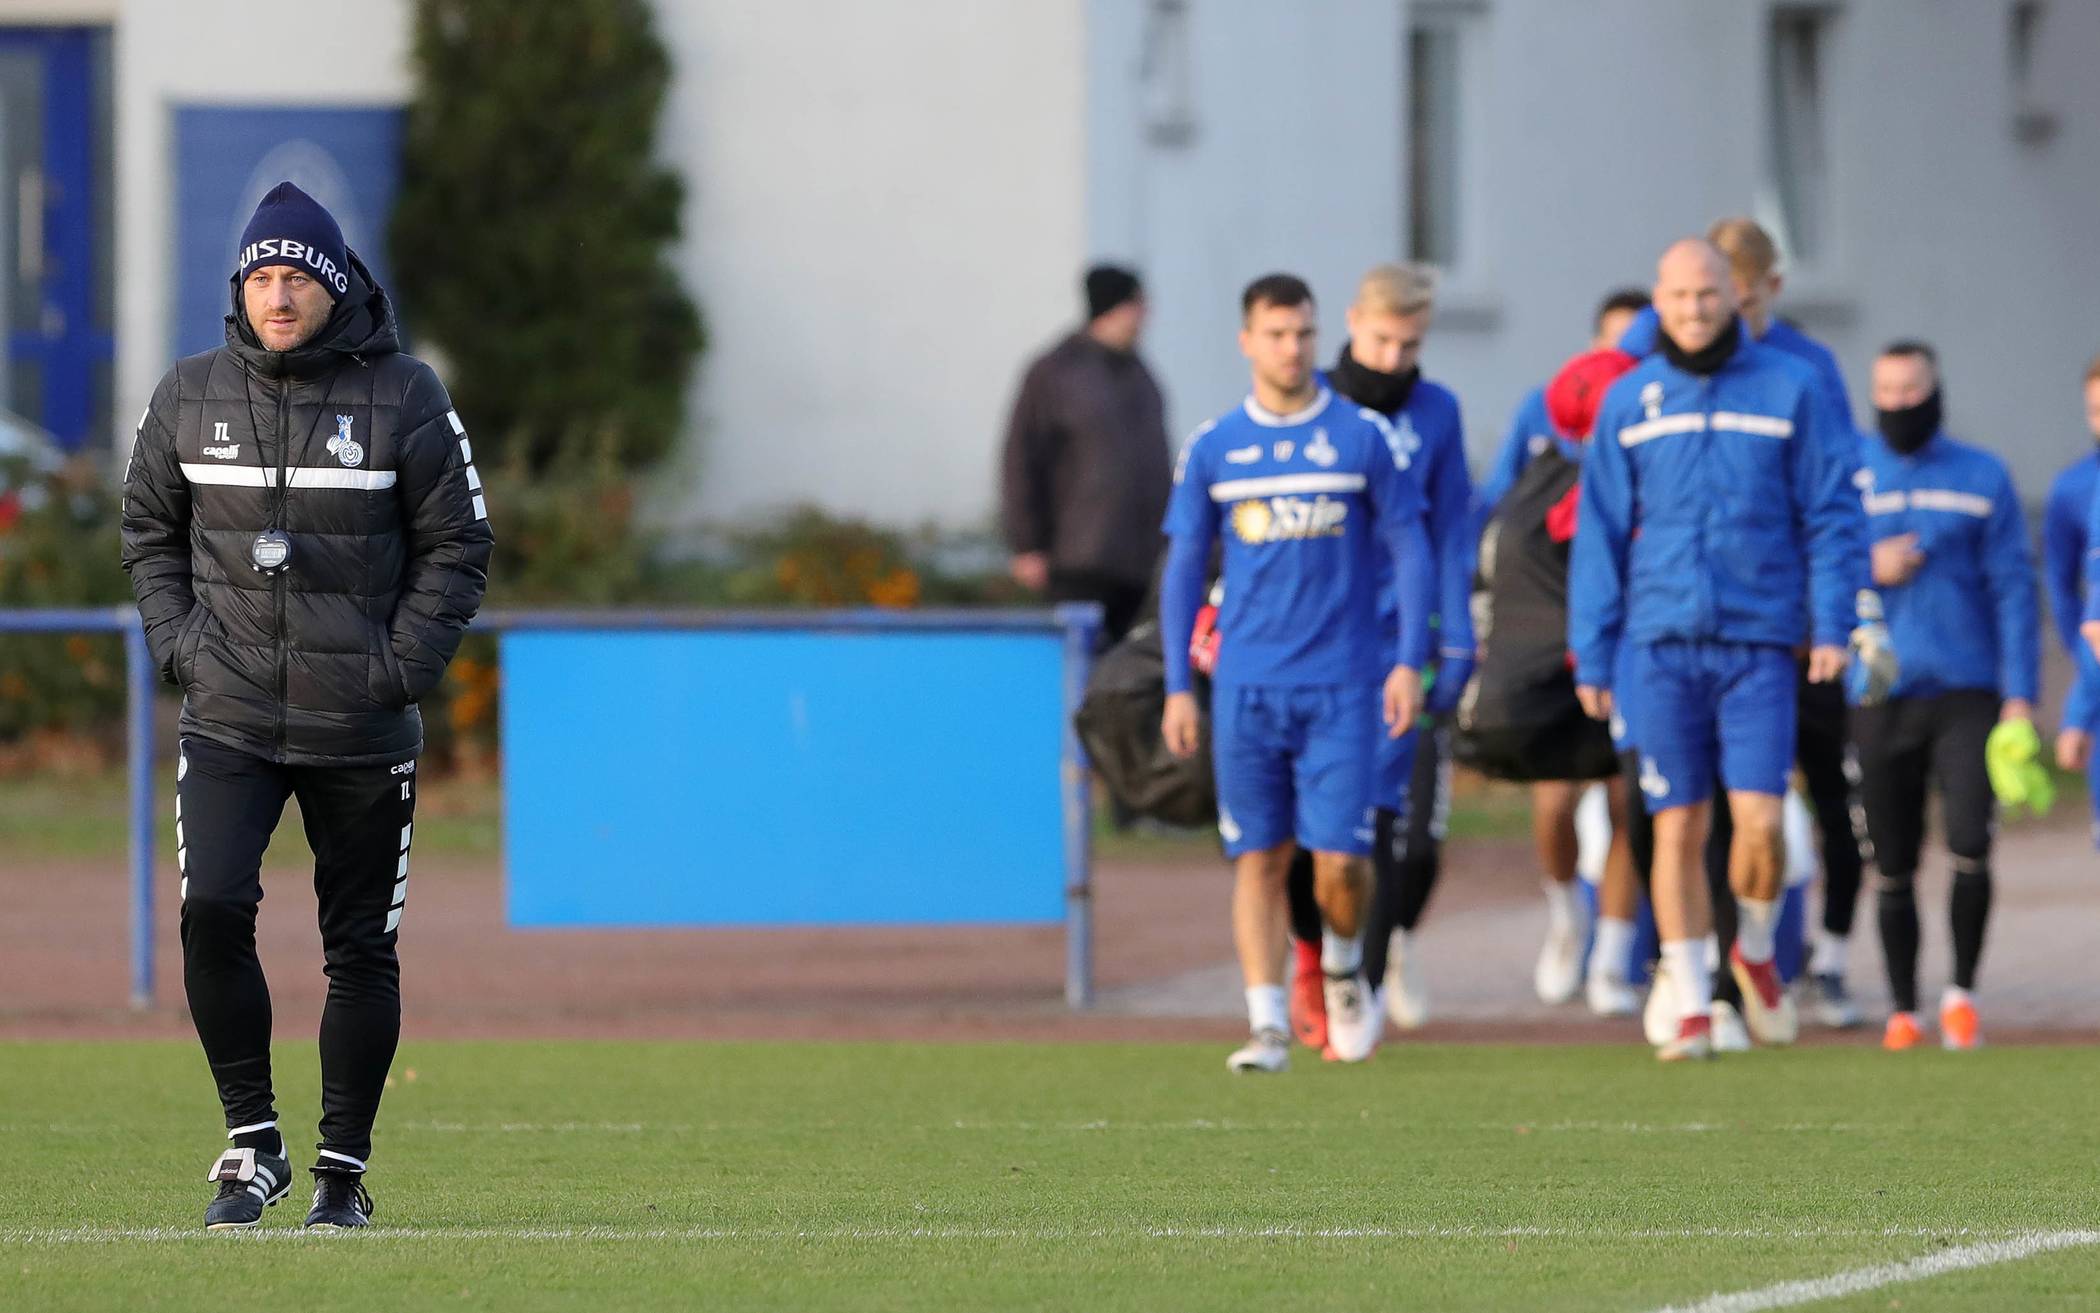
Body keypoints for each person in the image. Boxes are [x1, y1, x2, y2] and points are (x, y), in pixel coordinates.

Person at [120, 182, 492, 1228]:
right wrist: (183, 644)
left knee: (360, 946)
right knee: (212, 910)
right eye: (262, 276)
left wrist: (396, 667)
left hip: (360, 724)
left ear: (335, 288)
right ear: (240, 285)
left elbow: (460, 543)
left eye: (297, 277)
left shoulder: (408, 395)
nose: (278, 295)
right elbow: (149, 528)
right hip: (230, 715)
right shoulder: (187, 394)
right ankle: (253, 1143)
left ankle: (341, 1171)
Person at [1570, 238, 1865, 1062]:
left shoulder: (1792, 389)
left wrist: (1833, 622)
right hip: (1656, 644)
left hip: (1758, 643)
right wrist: (1592, 652)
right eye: (1680, 296)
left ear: (1734, 298)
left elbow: (1832, 515)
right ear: (1658, 303)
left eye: (1709, 294)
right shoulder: (1630, 401)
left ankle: (1759, 949)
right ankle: (1693, 999)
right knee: (1675, 824)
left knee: (1763, 825)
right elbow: (1598, 533)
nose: (1695, 309)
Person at [1159, 272, 1432, 1073]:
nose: (1293, 348)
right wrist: (1181, 683)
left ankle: (1344, 968)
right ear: (1248, 340)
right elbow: (1182, 570)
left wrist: (1408, 660)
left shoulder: (1360, 437)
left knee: (1342, 860)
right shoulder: (1216, 446)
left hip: (1344, 684)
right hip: (1247, 686)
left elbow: (1410, 547)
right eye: (1277, 334)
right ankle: (1267, 1022)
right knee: (1261, 858)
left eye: (1304, 333)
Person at [1279, 263, 1472, 1047]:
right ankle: (1309, 954)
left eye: (1411, 342)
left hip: (1401, 649)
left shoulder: (1438, 412)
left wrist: (1454, 635)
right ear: (1353, 322)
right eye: (1383, 338)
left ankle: (1365, 974)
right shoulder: (1315, 406)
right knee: (1312, 829)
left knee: (1395, 827)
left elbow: (1453, 530)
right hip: (1317, 643)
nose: (1394, 357)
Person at [1852, 343, 2039, 1051]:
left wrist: (2020, 693)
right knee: (1892, 857)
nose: (1900, 401)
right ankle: (1904, 1008)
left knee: (1968, 839)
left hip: (1966, 690)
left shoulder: (1981, 474)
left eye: (1912, 388)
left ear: (1936, 390)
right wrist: (1870, 565)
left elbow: (2014, 591)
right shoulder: (1849, 471)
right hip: (1877, 691)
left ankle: (1962, 994)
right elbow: (1815, 567)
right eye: (1887, 389)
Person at [1461, 347, 1648, 1015]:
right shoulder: (1549, 450)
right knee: (1555, 804)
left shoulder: (1640, 459)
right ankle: (1568, 913)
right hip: (1551, 648)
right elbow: (1496, 518)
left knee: (1631, 803)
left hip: (1623, 647)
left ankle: (1611, 958)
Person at [1000, 264, 1172, 645]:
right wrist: (1027, 544)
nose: (1145, 316)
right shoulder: (1056, 372)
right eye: (1138, 304)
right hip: (1080, 561)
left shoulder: (1140, 373)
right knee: (1081, 675)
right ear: (1115, 306)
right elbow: (1021, 458)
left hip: (1141, 563)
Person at [1477, 287, 1649, 511]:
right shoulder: (1545, 404)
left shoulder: (1658, 412)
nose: (1625, 355)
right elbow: (1498, 489)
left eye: (1638, 346)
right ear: (1595, 344)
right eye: (1618, 341)